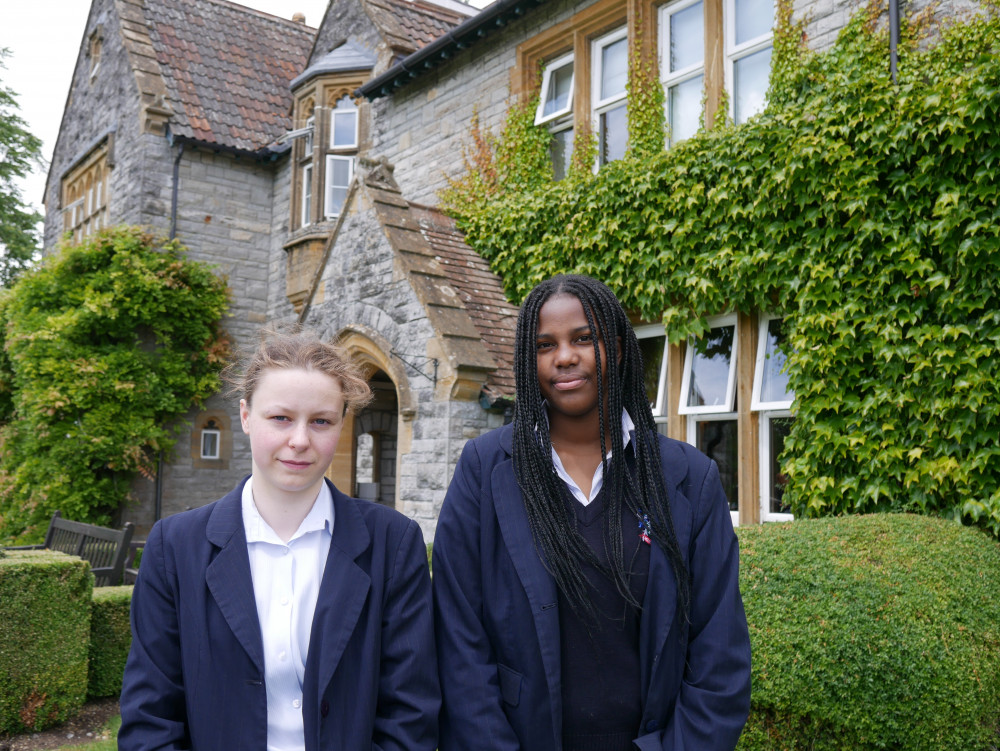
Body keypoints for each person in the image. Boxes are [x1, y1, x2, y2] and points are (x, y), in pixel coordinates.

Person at [433, 275, 751, 751]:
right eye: (545, 345)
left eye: (584, 338)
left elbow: (718, 655)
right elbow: (459, 644)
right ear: (528, 359)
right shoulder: (483, 470)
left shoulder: (688, 478)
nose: (565, 356)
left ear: (618, 348)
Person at [119, 329, 439, 751]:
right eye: (281, 418)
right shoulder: (175, 547)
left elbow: (410, 712)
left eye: (321, 421)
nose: (300, 440)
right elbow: (150, 716)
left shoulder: (393, 543)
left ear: (341, 423)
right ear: (246, 416)